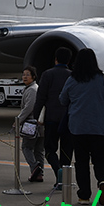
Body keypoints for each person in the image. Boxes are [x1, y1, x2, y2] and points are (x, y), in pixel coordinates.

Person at [59, 47, 104, 206]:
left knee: (81, 162)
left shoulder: (72, 80)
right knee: (100, 159)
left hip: (77, 127)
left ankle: (84, 196)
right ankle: (103, 181)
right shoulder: (102, 78)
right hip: (99, 127)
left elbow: (62, 100)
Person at [33, 46, 74, 190]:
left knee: (49, 149)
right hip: (68, 119)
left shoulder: (47, 74)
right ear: (69, 60)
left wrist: (36, 114)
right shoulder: (72, 75)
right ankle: (65, 179)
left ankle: (59, 174)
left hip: (51, 118)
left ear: (55, 59)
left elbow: (41, 97)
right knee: (67, 150)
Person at [16, 65, 44, 181]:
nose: (25, 77)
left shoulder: (32, 90)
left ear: (33, 76)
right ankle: (39, 174)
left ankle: (35, 167)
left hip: (31, 125)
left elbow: (28, 108)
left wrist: (18, 120)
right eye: (23, 74)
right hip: (40, 125)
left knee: (26, 147)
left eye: (28, 75)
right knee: (38, 150)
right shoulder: (34, 88)